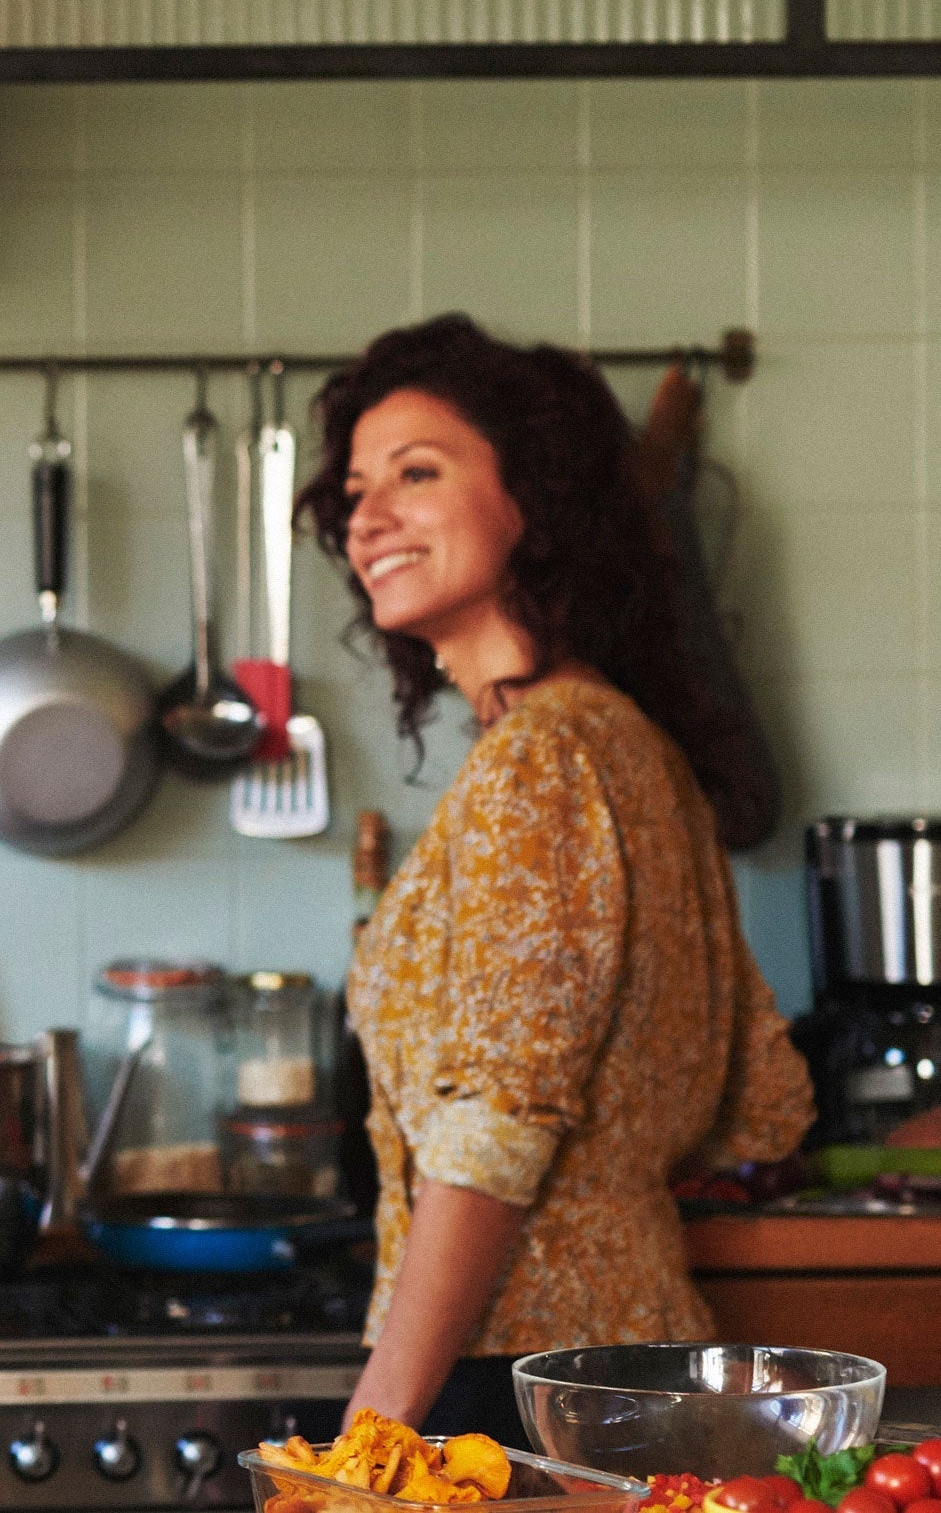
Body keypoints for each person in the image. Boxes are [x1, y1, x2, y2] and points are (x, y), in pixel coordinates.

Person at [300, 315, 814, 1436]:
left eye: (416, 472)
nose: (366, 516)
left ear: (534, 499)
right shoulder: (620, 741)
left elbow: (492, 1135)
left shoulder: (544, 759)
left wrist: (369, 1438)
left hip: (525, 1378)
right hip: (611, 1369)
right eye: (353, 490)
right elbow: (748, 1105)